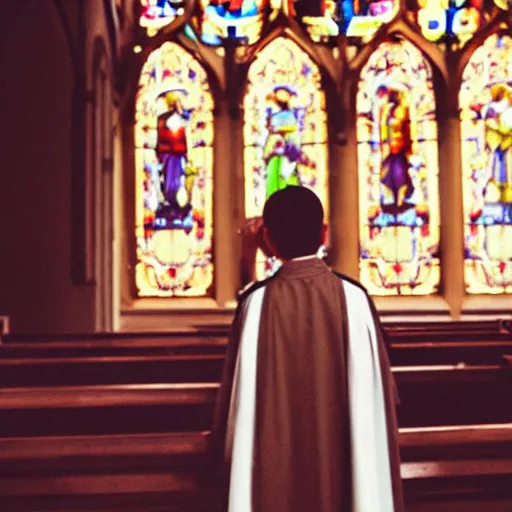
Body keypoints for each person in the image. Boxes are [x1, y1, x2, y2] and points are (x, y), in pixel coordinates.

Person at [210, 185, 404, 512]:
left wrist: (248, 258)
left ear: (267, 240)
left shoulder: (255, 304)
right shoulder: (355, 299)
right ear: (324, 234)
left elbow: (235, 403)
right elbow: (384, 396)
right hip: (346, 467)